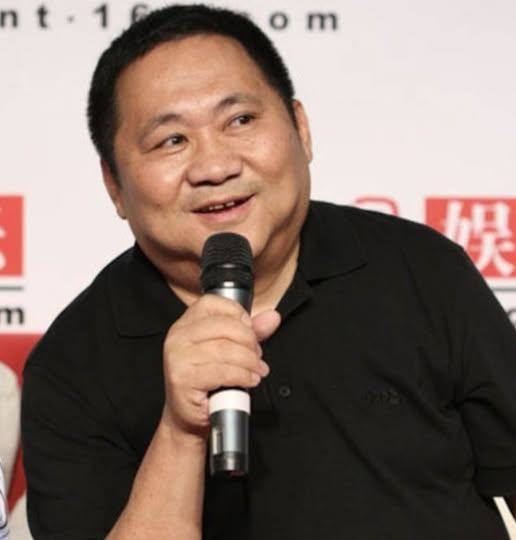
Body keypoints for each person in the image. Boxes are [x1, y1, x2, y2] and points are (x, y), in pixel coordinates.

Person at [21, 4, 516, 539]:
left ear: (301, 128)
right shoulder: (71, 368)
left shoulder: (421, 270)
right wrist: (181, 431)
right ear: (114, 184)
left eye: (240, 120)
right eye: (171, 140)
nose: (215, 167)